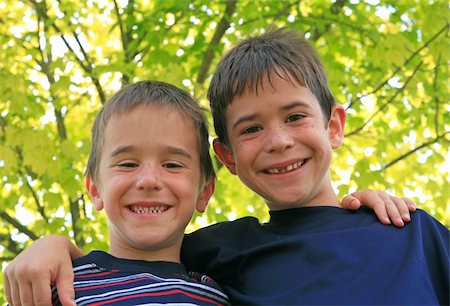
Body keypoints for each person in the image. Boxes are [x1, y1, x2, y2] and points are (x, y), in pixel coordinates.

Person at [4, 28, 422, 306]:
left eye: (295, 117)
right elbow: (136, 254)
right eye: (252, 128)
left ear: (334, 125)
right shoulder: (222, 253)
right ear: (227, 158)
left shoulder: (412, 234)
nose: (278, 141)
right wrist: (56, 245)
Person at [47, 80, 229, 305]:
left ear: (204, 191)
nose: (149, 180)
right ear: (95, 189)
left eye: (172, 165)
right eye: (128, 164)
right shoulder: (61, 288)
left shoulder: (216, 296)